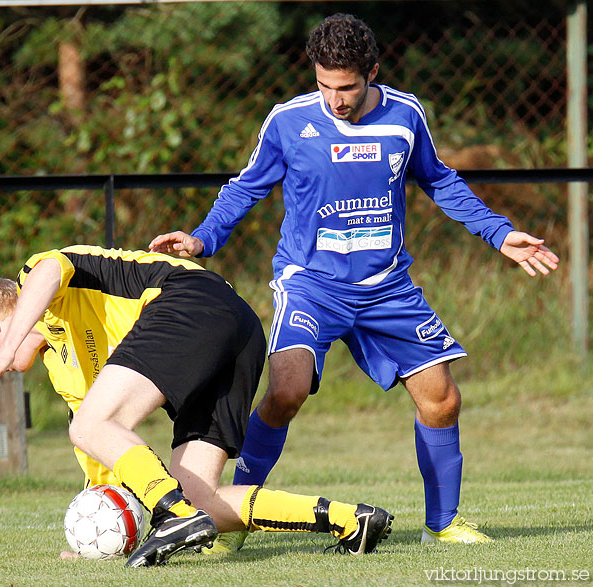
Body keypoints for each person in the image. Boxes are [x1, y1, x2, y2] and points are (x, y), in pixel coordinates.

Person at [149, 13, 559, 551]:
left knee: (442, 399)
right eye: (324, 85)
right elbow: (243, 189)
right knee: (287, 391)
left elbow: (440, 180)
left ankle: (443, 523)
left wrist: (499, 234)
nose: (335, 99)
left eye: (346, 87)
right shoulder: (288, 122)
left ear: (372, 74)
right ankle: (232, 517)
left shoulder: (405, 115)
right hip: (311, 284)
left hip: (387, 286)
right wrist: (203, 239)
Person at [0, 244, 393, 567]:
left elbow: (48, 271)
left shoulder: (39, 278)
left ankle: (174, 515)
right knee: (199, 495)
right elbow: (99, 452)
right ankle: (350, 520)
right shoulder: (64, 368)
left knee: (94, 428)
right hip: (239, 332)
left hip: (190, 301)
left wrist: (6, 350)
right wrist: (91, 533)